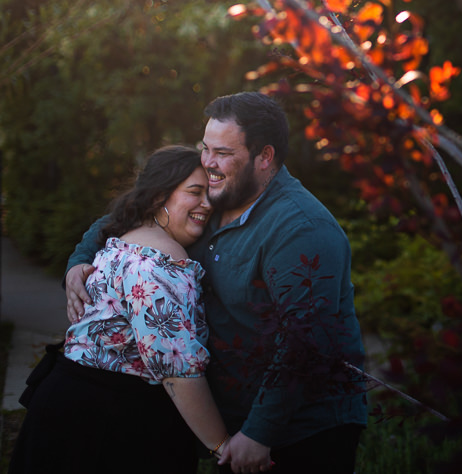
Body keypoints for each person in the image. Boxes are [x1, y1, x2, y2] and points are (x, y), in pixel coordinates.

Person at [64, 92, 368, 474]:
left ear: (264, 156)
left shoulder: (301, 229)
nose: (208, 162)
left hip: (301, 433)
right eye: (205, 148)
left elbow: (306, 342)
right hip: (235, 425)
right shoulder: (215, 194)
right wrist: (79, 263)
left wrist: (259, 432)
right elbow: (132, 211)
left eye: (222, 152)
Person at [11, 145, 230, 473]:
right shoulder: (160, 264)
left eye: (209, 194)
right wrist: (223, 445)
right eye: (195, 192)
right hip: (104, 426)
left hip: (69, 411)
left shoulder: (126, 240)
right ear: (159, 197)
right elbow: (177, 372)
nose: (207, 203)